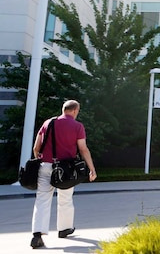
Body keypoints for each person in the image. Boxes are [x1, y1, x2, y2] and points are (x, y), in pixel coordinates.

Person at [29, 100, 97, 249]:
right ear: (75, 111)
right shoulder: (77, 126)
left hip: (45, 166)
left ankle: (37, 236)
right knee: (65, 198)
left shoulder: (48, 123)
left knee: (42, 200)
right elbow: (83, 149)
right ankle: (64, 229)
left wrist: (43, 160)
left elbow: (36, 147)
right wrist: (91, 169)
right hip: (65, 169)